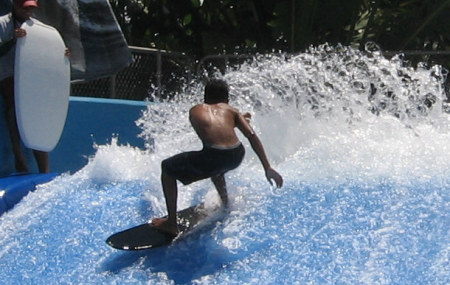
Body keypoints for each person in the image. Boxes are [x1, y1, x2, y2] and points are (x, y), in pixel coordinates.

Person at [152, 79, 283, 237]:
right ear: (227, 99)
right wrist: (267, 167)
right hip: (236, 154)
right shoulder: (231, 110)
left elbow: (212, 129)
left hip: (214, 156)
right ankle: (225, 203)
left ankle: (171, 224)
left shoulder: (196, 110)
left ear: (205, 97)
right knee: (216, 168)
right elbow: (250, 135)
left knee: (167, 167)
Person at [0, 0, 69, 173]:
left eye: (31, 8)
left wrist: (64, 53)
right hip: (7, 76)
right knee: (13, 110)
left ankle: (44, 169)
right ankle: (20, 161)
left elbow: (48, 53)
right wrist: (11, 39)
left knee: (39, 112)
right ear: (15, 5)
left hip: (30, 78)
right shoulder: (2, 24)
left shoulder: (38, 29)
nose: (28, 12)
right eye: (25, 8)